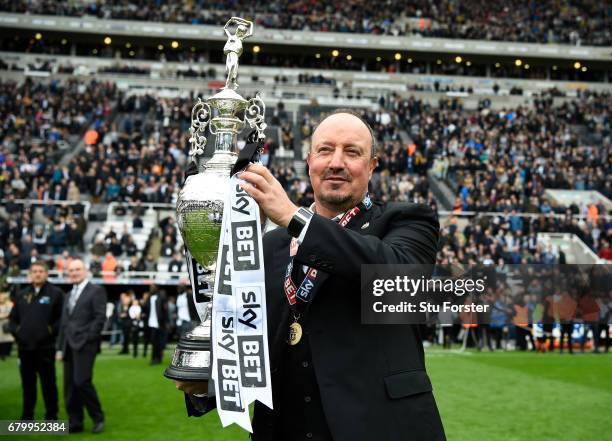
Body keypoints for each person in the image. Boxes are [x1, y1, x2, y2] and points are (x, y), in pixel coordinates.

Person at [175, 110, 446, 440]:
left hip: (380, 427)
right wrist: (208, 379)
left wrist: (293, 217)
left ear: (372, 165)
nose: (336, 162)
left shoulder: (406, 222)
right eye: (325, 150)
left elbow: (397, 275)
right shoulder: (269, 246)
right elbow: (249, 336)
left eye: (352, 151)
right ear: (309, 161)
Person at [8, 262, 63, 420]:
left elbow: (61, 319)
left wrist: (50, 331)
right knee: (27, 385)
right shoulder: (21, 294)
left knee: (48, 384)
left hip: (46, 348)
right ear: (30, 274)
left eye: (41, 271)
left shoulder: (56, 293)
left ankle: (51, 417)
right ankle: (27, 416)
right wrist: (18, 332)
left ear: (46, 273)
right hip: (25, 349)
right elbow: (12, 319)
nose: (37, 274)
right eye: (34, 271)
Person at [57, 259, 107, 433]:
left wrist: (88, 338)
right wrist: (59, 348)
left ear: (85, 270)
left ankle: (98, 418)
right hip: (69, 346)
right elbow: (64, 323)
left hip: (85, 345)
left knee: (82, 382)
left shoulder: (96, 290)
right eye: (71, 270)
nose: (74, 273)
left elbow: (100, 318)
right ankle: (75, 422)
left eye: (77, 269)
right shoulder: (68, 294)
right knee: (69, 386)